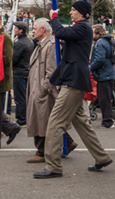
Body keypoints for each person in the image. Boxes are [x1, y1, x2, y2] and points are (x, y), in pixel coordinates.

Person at [33, 0, 112, 179]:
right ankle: (102, 157)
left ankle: (53, 166)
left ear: (83, 13)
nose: (70, 13)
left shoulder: (83, 27)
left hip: (74, 81)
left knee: (54, 123)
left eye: (73, 10)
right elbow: (69, 54)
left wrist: (54, 18)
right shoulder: (81, 27)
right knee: (81, 123)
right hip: (73, 78)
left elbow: (60, 32)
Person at [26, 18, 77, 163]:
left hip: (44, 91)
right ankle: (68, 141)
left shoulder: (52, 45)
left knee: (43, 120)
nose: (33, 31)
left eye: (35, 28)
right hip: (38, 89)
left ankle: (42, 152)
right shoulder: (41, 44)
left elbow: (52, 71)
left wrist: (43, 89)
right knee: (46, 120)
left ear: (43, 30)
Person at [0, 18, 21, 147]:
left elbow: (7, 60)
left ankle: (11, 127)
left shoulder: (5, 37)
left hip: (2, 80)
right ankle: (11, 128)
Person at [91, 24, 115, 129]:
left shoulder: (100, 43)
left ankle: (107, 122)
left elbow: (99, 59)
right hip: (108, 73)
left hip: (104, 74)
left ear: (98, 33)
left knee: (104, 99)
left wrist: (90, 68)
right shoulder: (106, 41)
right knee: (106, 98)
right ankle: (108, 119)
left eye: (92, 32)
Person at [12, 21, 34, 127]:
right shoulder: (29, 41)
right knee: (25, 96)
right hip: (26, 71)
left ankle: (21, 120)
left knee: (19, 97)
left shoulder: (20, 43)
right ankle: (25, 118)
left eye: (16, 28)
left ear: (21, 30)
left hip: (19, 73)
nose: (14, 30)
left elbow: (13, 59)